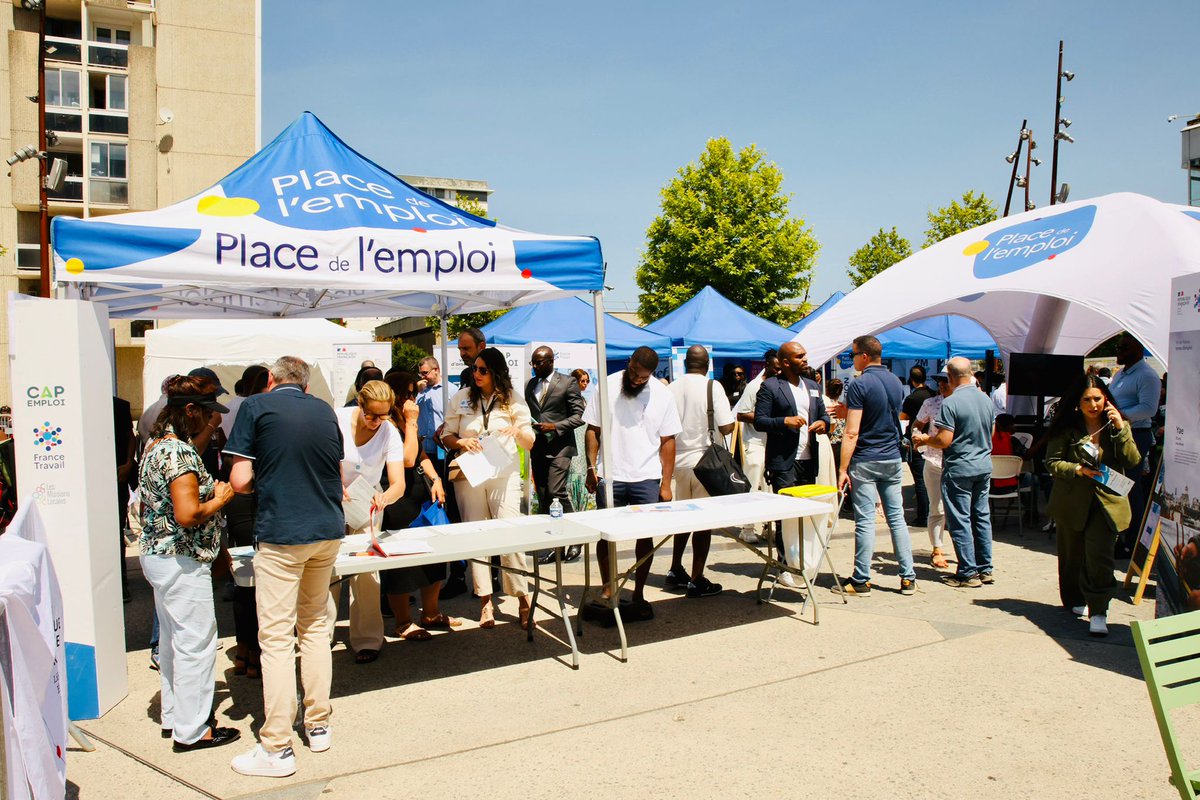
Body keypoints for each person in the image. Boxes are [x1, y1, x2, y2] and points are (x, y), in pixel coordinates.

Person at [226, 356, 345, 779]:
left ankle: (276, 746)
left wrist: (270, 478)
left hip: (282, 532)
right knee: (314, 627)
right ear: (306, 386)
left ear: (272, 380)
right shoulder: (325, 410)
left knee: (275, 637)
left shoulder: (255, 406)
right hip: (327, 529)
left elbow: (240, 480)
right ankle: (318, 724)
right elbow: (338, 472)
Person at [138, 374, 239, 752]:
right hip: (181, 557)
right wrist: (222, 497)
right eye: (209, 413)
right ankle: (194, 730)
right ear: (191, 411)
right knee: (196, 643)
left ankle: (174, 716)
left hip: (158, 555)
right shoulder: (179, 453)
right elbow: (188, 513)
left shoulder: (156, 445)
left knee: (171, 640)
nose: (214, 421)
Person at [440, 346, 536, 630]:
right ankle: (485, 602)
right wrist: (460, 443)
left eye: (483, 370)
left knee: (510, 531)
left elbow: (530, 441)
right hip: (470, 473)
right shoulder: (460, 398)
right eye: (474, 369)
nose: (477, 374)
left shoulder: (513, 399)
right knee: (476, 534)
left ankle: (522, 597)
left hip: (502, 473)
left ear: (496, 372)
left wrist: (518, 432)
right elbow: (446, 435)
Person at [583, 346, 681, 622]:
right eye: (635, 374)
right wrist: (592, 468)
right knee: (606, 535)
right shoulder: (608, 385)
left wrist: (666, 483)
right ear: (630, 363)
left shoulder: (663, 395)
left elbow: (668, 441)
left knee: (645, 536)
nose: (638, 380)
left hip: (646, 476)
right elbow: (593, 429)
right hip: (609, 476)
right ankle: (608, 586)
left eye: (644, 378)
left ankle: (638, 592)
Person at [1044, 374, 1141, 636]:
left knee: (1100, 557)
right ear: (1078, 402)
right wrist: (1077, 469)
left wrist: (1120, 428)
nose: (1093, 404)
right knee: (1072, 557)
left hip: (1107, 502)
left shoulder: (1117, 426)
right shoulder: (1066, 429)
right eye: (1087, 399)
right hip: (1072, 502)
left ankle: (1099, 609)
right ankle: (1076, 599)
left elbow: (1132, 460)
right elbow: (1052, 462)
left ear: (1106, 399)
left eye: (1098, 398)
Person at [332, 380, 408, 663]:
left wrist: (385, 497)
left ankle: (367, 639)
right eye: (371, 415)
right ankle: (322, 634)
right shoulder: (337, 419)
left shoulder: (389, 431)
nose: (376, 422)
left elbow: (398, 483)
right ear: (359, 405)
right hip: (334, 497)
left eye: (383, 415)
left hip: (370, 500)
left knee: (367, 570)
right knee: (329, 569)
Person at [835, 336, 915, 596]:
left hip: (866, 458)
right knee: (897, 519)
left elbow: (851, 432)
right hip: (892, 457)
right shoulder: (895, 381)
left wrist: (842, 468)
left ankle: (861, 579)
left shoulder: (859, 384)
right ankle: (907, 577)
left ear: (865, 356)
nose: (852, 358)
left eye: (854, 354)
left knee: (866, 521)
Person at [380, 370, 456, 640]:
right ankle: (403, 622)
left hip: (421, 497)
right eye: (408, 392)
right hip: (397, 503)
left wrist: (436, 479)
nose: (413, 397)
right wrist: (412, 422)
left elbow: (422, 455)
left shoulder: (403, 420)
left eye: (414, 392)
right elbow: (408, 458)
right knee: (401, 564)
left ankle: (431, 613)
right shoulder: (386, 423)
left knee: (433, 558)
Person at [913, 356, 996, 589]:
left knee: (960, 519)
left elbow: (943, 440)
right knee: (981, 516)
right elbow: (990, 432)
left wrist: (924, 439)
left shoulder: (951, 402)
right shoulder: (986, 400)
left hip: (959, 467)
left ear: (950, 377)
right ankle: (985, 568)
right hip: (983, 465)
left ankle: (968, 572)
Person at [665, 345, 735, 597]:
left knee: (682, 520)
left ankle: (674, 569)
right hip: (705, 463)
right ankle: (697, 578)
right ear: (707, 364)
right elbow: (726, 427)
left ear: (685, 363)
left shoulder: (671, 387)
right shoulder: (712, 386)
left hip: (678, 464)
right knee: (703, 523)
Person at [525, 346, 586, 564]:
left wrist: (555, 427)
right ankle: (555, 546)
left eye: (538, 362)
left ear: (551, 361)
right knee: (543, 497)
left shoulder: (568, 382)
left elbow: (579, 416)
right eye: (533, 362)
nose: (534, 367)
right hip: (538, 447)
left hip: (561, 447)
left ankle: (578, 537)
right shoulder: (530, 385)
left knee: (556, 490)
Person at [1108, 333, 1161, 556]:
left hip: (1136, 436)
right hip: (1118, 434)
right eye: (1118, 348)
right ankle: (1120, 535)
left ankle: (1133, 540)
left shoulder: (1147, 375)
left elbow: (1149, 409)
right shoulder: (1121, 374)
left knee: (1130, 487)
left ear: (1138, 349)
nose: (1119, 352)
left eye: (1124, 348)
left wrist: (1121, 416)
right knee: (1116, 485)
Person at [733, 349, 780, 543]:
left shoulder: (780, 385)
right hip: (755, 444)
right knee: (752, 487)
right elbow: (741, 414)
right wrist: (767, 419)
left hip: (773, 444)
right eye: (776, 368)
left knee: (770, 489)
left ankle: (768, 526)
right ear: (767, 366)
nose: (779, 372)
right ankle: (747, 527)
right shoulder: (754, 386)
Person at [914, 372, 952, 568]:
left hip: (958, 463)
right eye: (940, 381)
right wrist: (916, 437)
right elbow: (918, 424)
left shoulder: (964, 402)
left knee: (960, 510)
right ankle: (937, 548)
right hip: (934, 460)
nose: (942, 384)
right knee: (936, 507)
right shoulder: (931, 403)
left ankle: (966, 553)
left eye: (946, 380)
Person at [899, 365, 934, 527]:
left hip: (917, 442)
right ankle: (932, 513)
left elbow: (903, 418)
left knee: (920, 480)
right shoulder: (933, 395)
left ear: (911, 380)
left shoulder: (911, 399)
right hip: (934, 441)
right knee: (931, 480)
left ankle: (923, 515)